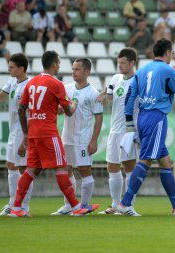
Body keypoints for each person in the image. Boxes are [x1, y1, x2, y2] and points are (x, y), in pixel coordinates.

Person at [116, 38, 175, 216]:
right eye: (172, 53)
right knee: (145, 159)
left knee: (165, 161)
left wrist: (130, 123)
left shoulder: (142, 70)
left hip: (142, 117)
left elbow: (130, 98)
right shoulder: (170, 71)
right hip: (157, 117)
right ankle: (125, 203)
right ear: (168, 53)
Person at [8, 50, 82, 217]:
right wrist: (74, 103)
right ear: (54, 65)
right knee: (62, 167)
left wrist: (26, 134)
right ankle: (76, 207)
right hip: (49, 133)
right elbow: (69, 112)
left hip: (33, 132)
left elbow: (21, 110)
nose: (59, 67)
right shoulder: (56, 84)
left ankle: (17, 208)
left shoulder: (31, 82)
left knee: (31, 169)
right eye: (59, 64)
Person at [0, 53, 33, 216]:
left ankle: (24, 206)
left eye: (12, 67)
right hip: (13, 130)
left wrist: (26, 138)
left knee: (24, 168)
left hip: (23, 130)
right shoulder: (12, 81)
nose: (8, 69)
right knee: (11, 165)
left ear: (21, 69)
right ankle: (13, 202)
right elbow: (2, 97)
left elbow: (32, 113)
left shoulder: (29, 85)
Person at [51, 58, 103, 216]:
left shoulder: (93, 93)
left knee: (84, 170)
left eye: (77, 69)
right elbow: (60, 110)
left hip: (83, 140)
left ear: (87, 72)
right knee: (66, 171)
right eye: (73, 69)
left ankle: (84, 207)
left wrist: (94, 141)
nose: (73, 72)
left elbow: (99, 119)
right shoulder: (66, 89)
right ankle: (69, 205)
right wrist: (59, 108)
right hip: (67, 138)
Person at [97, 47, 139, 215]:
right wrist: (102, 97)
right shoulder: (115, 78)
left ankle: (128, 205)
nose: (119, 66)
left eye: (123, 63)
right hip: (114, 129)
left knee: (129, 168)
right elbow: (108, 98)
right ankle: (115, 204)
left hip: (129, 130)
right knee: (112, 166)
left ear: (132, 63)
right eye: (118, 62)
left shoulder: (138, 80)